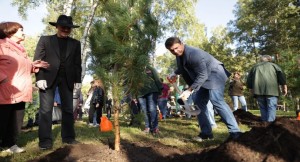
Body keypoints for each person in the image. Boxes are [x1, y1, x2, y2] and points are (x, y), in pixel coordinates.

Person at [165, 37, 241, 141]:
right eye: (172, 50)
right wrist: (174, 73)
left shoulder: (194, 54)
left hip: (215, 75)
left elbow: (202, 74)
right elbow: (183, 68)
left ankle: (235, 133)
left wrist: (189, 90)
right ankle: (206, 133)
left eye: (176, 48)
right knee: (198, 103)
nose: (175, 51)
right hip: (203, 78)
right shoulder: (179, 56)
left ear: (182, 43)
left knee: (216, 100)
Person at [33, 15, 82, 150]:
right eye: (63, 27)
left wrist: (78, 80)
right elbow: (38, 59)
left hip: (68, 79)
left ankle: (68, 137)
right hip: (48, 78)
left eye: (69, 28)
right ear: (56, 27)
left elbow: (78, 64)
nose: (66, 29)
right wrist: (39, 77)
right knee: (45, 110)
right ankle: (45, 140)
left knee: (67, 109)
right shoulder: (45, 40)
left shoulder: (76, 43)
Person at [0, 22, 49, 153]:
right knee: (2, 119)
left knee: (16, 121)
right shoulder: (1, 46)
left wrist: (33, 65)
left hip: (21, 91)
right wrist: (2, 78)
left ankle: (10, 144)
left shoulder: (21, 50)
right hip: (5, 91)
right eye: (20, 30)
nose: (24, 33)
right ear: (10, 32)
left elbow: (22, 67)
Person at [246, 55, 287, 122]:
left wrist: (251, 89)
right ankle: (270, 124)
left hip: (258, 91)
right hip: (272, 91)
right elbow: (282, 77)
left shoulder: (255, 67)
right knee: (271, 107)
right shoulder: (275, 66)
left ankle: (264, 123)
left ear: (261, 60)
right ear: (269, 60)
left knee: (262, 107)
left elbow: (249, 80)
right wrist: (284, 87)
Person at [137, 66, 163, 134]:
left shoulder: (148, 67)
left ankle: (155, 128)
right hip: (140, 93)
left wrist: (160, 89)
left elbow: (156, 78)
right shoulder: (134, 69)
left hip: (151, 90)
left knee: (152, 109)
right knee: (144, 110)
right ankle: (147, 127)